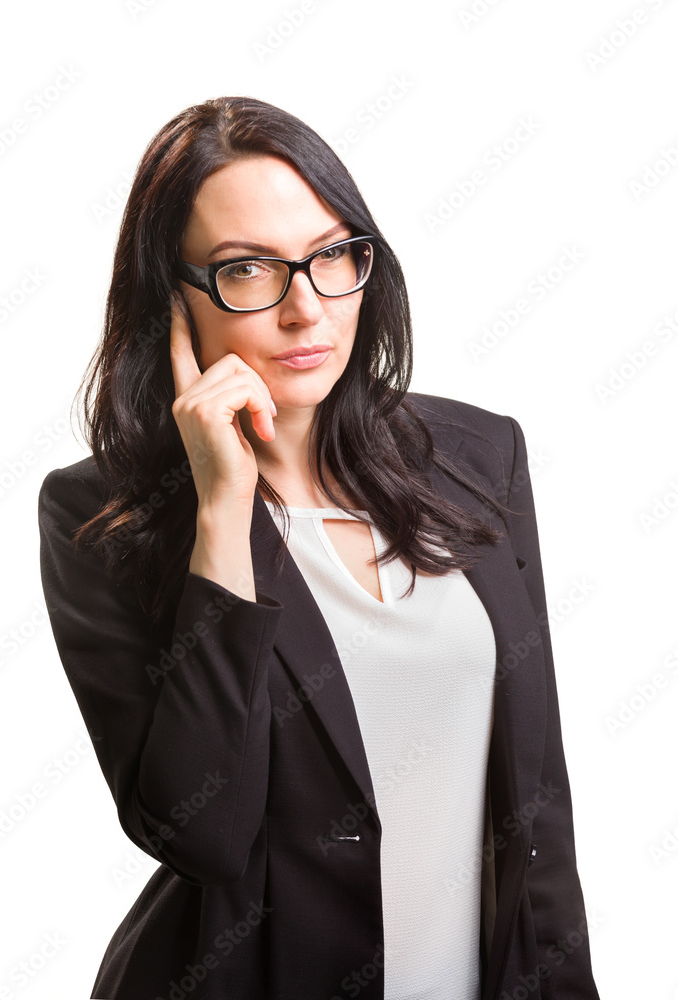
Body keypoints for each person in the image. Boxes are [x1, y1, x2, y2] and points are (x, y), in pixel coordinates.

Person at [37, 96, 601, 1000]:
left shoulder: (477, 457)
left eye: (334, 254)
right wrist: (223, 511)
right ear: (168, 297)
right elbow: (204, 834)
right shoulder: (104, 513)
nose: (307, 309)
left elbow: (537, 807)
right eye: (248, 270)